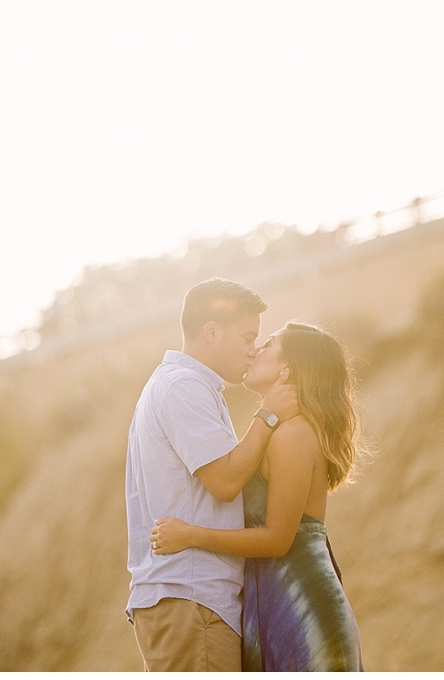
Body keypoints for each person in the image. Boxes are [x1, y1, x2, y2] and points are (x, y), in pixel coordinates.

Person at [151, 322, 365, 672]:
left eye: (267, 344)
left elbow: (278, 539)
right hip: (277, 593)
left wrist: (192, 536)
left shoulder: (292, 436)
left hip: (302, 604)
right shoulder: (278, 430)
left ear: (287, 368)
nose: (255, 351)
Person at [125, 278, 299, 672]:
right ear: (212, 332)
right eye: (247, 336)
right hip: (191, 598)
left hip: (190, 599)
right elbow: (224, 482)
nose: (253, 349)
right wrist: (268, 414)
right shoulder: (183, 387)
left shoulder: (185, 385)